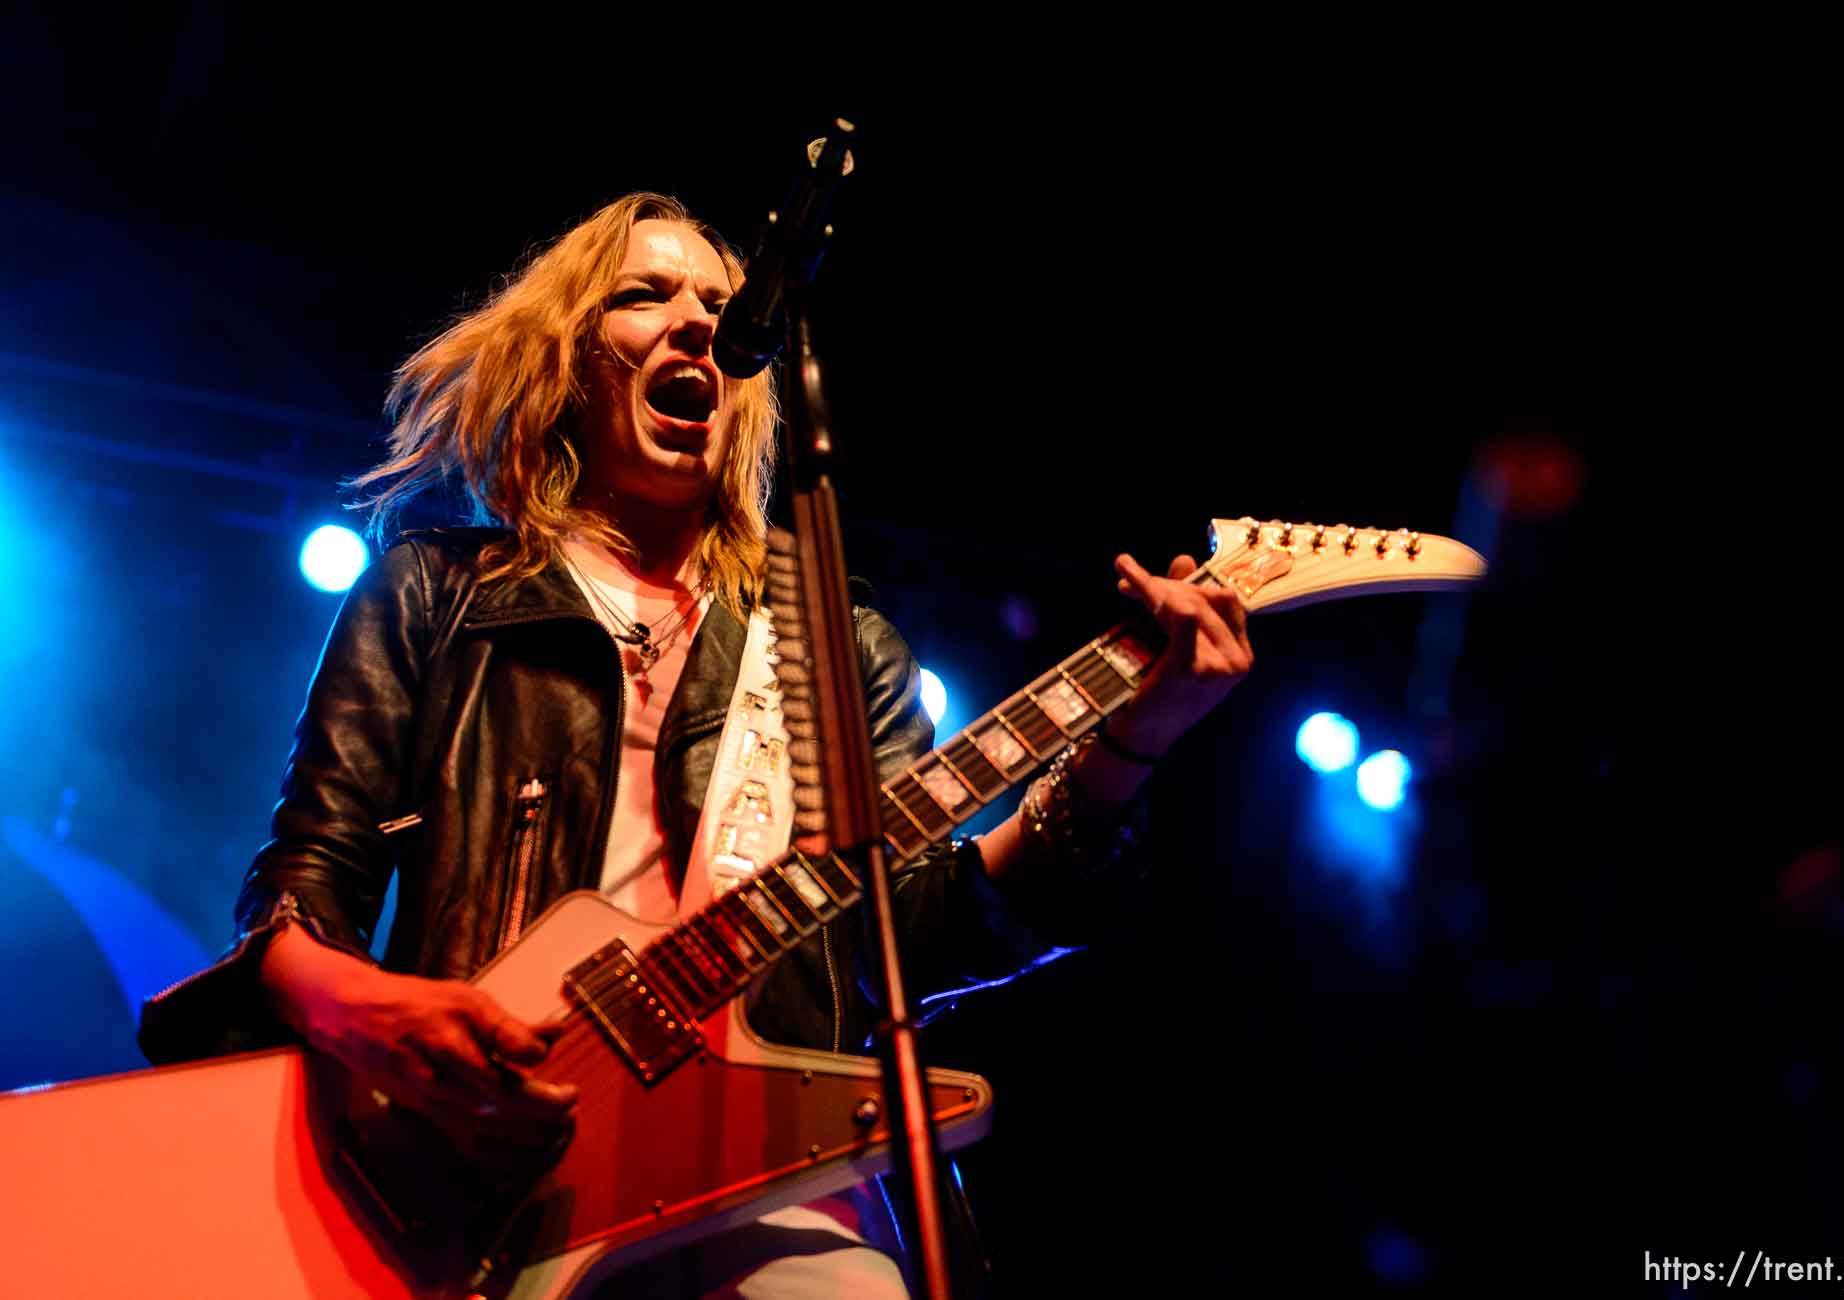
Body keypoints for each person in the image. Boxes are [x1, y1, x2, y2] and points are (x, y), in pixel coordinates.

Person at [137, 192, 1254, 1296]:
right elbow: (308, 872)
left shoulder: (829, 638)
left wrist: (1130, 743)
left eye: (720, 303)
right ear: (569, 361)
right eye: (645, 293)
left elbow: (920, 937)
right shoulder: (440, 592)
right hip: (479, 1165)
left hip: (771, 1176)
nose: (696, 320)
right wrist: (370, 1014)